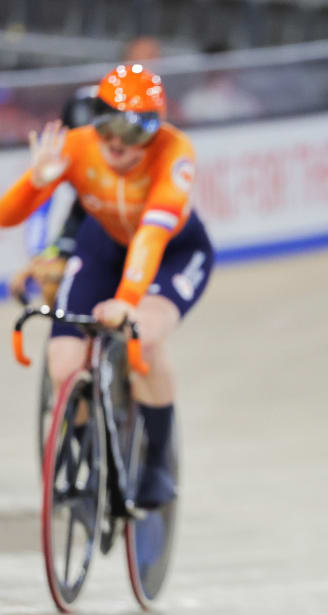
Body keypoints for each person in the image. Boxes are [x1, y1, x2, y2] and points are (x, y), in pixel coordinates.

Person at [0, 64, 214, 509]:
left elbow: (152, 235)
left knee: (145, 339)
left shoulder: (176, 153)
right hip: (103, 245)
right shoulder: (77, 147)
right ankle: (87, 456)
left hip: (173, 252)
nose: (116, 141)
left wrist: (127, 301)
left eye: (134, 130)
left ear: (157, 129)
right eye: (106, 121)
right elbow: (7, 216)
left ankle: (157, 461)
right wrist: (35, 182)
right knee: (64, 362)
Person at [8, 85, 98, 305]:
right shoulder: (59, 152)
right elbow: (40, 208)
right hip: (89, 218)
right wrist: (41, 258)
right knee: (54, 281)